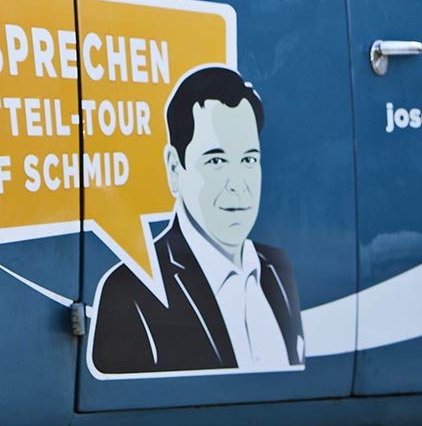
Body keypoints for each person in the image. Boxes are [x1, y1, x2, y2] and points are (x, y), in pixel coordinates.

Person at [89, 65, 303, 376]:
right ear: (175, 168)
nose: (237, 183)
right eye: (216, 161)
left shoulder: (277, 268)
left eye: (248, 160)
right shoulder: (128, 293)